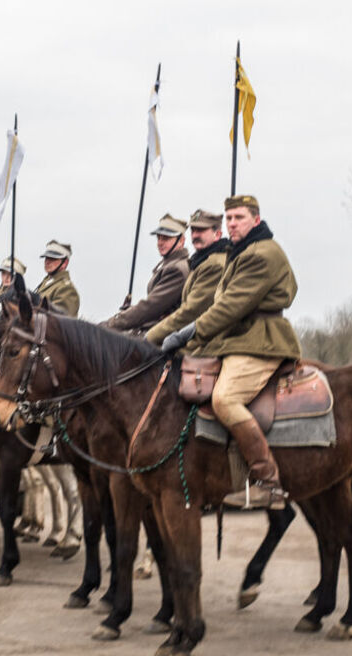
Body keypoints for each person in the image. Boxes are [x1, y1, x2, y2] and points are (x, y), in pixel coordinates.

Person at [161, 195, 301, 510]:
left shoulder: (262, 254)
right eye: (229, 218)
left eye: (238, 217)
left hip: (260, 342)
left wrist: (188, 332)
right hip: (238, 339)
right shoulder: (243, 252)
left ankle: (268, 482)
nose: (232, 223)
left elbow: (228, 307)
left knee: (224, 399)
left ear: (256, 219)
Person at [145, 209, 230, 346]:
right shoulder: (200, 261)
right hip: (190, 332)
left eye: (201, 231)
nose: (195, 235)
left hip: (205, 339)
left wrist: (150, 336)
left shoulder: (214, 264)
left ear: (217, 234)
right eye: (193, 230)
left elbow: (192, 311)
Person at [101, 213, 189, 334]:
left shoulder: (177, 269)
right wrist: (129, 310)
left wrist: (111, 323)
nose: (160, 243)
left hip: (162, 334)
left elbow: (151, 307)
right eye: (159, 238)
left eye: (166, 238)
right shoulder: (168, 265)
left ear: (181, 241)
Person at [35, 240, 80, 317]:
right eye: (46, 258)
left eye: (52, 259)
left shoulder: (67, 289)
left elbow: (59, 321)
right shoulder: (46, 282)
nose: (47, 262)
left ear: (65, 263)